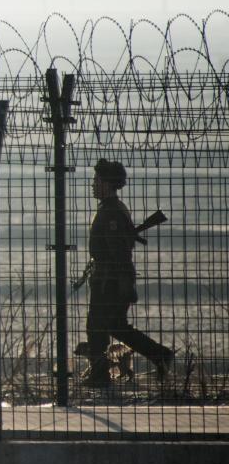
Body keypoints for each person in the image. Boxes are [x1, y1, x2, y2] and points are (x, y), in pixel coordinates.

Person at [83, 159, 173, 386]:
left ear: (108, 184)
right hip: (108, 279)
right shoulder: (111, 209)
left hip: (109, 281)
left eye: (97, 181)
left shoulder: (111, 212)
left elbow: (119, 253)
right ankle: (157, 355)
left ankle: (100, 376)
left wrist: (121, 283)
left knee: (98, 326)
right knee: (112, 326)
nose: (93, 185)